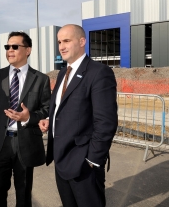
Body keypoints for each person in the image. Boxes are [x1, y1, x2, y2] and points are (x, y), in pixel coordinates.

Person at [0, 31, 51, 207]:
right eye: (7, 47)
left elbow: (46, 108)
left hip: (26, 142)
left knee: (23, 195)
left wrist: (29, 117)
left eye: (15, 46)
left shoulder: (41, 79)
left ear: (28, 50)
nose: (10, 50)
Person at [39, 24, 118, 207]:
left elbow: (106, 122)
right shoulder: (62, 74)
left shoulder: (99, 72)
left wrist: (91, 161)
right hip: (61, 159)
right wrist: (49, 121)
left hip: (83, 164)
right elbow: (63, 107)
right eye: (59, 42)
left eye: (67, 40)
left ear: (82, 41)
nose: (61, 46)